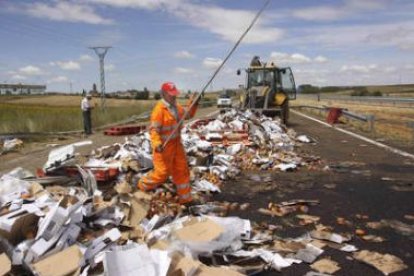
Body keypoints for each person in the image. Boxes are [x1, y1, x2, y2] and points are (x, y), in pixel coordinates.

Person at [138, 82, 200, 205]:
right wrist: (156, 144)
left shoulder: (176, 107)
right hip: (164, 147)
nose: (174, 97)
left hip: (177, 144)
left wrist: (194, 103)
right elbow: (154, 130)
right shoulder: (159, 110)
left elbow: (187, 115)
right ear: (164, 94)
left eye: (175, 94)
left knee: (182, 171)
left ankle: (186, 199)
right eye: (171, 95)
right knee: (162, 174)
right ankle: (142, 185)